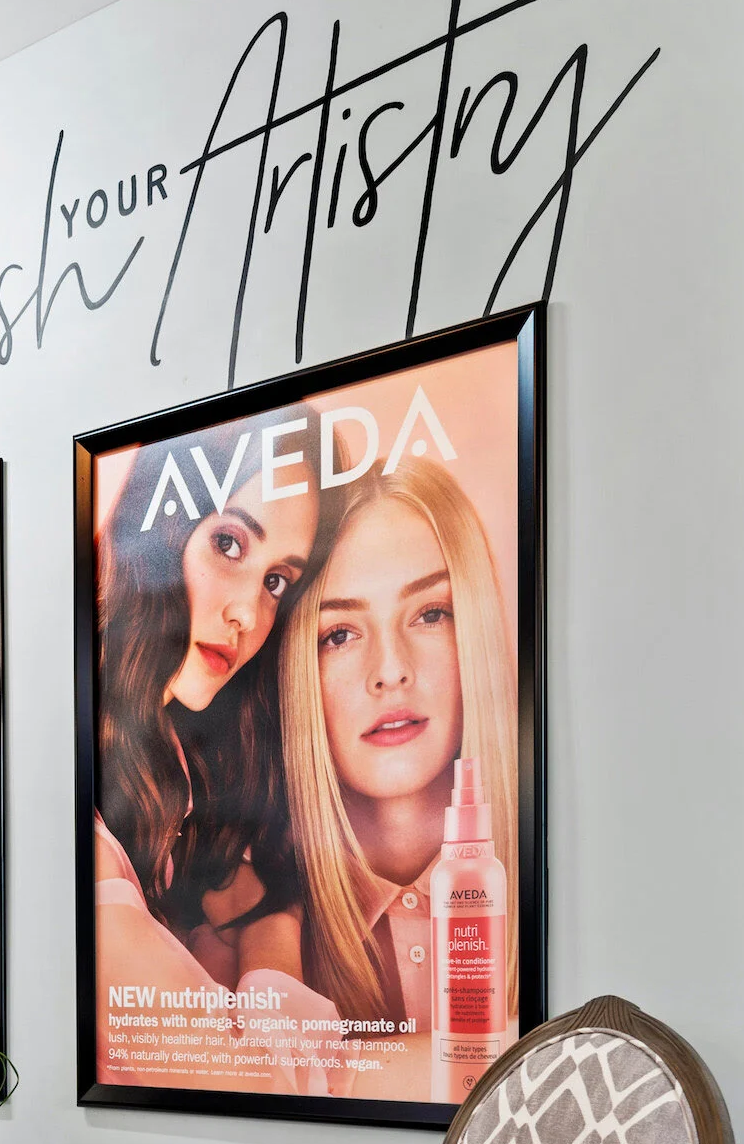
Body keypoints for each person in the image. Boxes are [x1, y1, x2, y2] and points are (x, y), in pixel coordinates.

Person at [240, 455, 518, 1098]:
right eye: (339, 633)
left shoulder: (555, 889)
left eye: (430, 613)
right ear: (293, 667)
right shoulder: (249, 920)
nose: (390, 670)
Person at [93, 406, 348, 1092]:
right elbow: (262, 1085)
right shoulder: (75, 812)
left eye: (276, 581)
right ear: (159, 530)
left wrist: (266, 967)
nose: (249, 615)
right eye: (229, 544)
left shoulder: (169, 758)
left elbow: (253, 897)